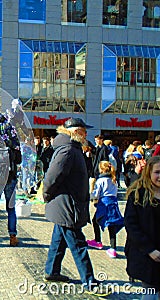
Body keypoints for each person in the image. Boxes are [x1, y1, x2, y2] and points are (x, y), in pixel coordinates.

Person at [43, 118, 105, 295]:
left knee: (58, 241)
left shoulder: (72, 148)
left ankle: (51, 271)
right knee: (78, 245)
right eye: (84, 132)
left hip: (68, 206)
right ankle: (90, 282)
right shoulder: (68, 150)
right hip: (67, 207)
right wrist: (46, 195)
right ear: (77, 132)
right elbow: (52, 177)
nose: (87, 135)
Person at [124, 156, 160, 298]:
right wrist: (149, 249)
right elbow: (131, 225)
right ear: (149, 173)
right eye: (157, 172)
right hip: (146, 254)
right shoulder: (138, 194)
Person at [87, 161, 124, 258]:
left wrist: (90, 194)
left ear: (102, 169)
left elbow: (96, 194)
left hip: (104, 204)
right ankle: (113, 248)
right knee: (112, 225)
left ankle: (98, 241)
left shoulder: (100, 180)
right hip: (113, 203)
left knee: (95, 220)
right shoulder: (113, 179)